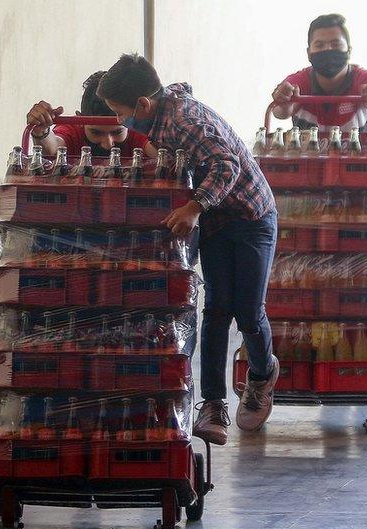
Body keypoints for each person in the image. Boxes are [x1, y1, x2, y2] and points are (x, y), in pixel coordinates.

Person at [96, 54, 278, 444]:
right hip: (215, 222)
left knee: (247, 310)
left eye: (119, 112)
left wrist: (194, 207)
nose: (119, 122)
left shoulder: (184, 121)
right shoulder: (159, 119)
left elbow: (226, 166)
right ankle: (214, 404)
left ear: (142, 104)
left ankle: (262, 374)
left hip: (251, 219)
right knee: (215, 309)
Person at [270, 13, 367, 131]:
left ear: (349, 50)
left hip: (362, 149)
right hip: (309, 150)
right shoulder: (297, 83)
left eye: (335, 44)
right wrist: (283, 101)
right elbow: (280, 112)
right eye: (319, 45)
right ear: (309, 53)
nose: (328, 49)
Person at [25, 71, 155, 156]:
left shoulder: (137, 130)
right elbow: (53, 150)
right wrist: (41, 131)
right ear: (80, 120)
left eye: (117, 132)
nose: (108, 144)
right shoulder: (72, 130)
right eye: (96, 132)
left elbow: (157, 151)